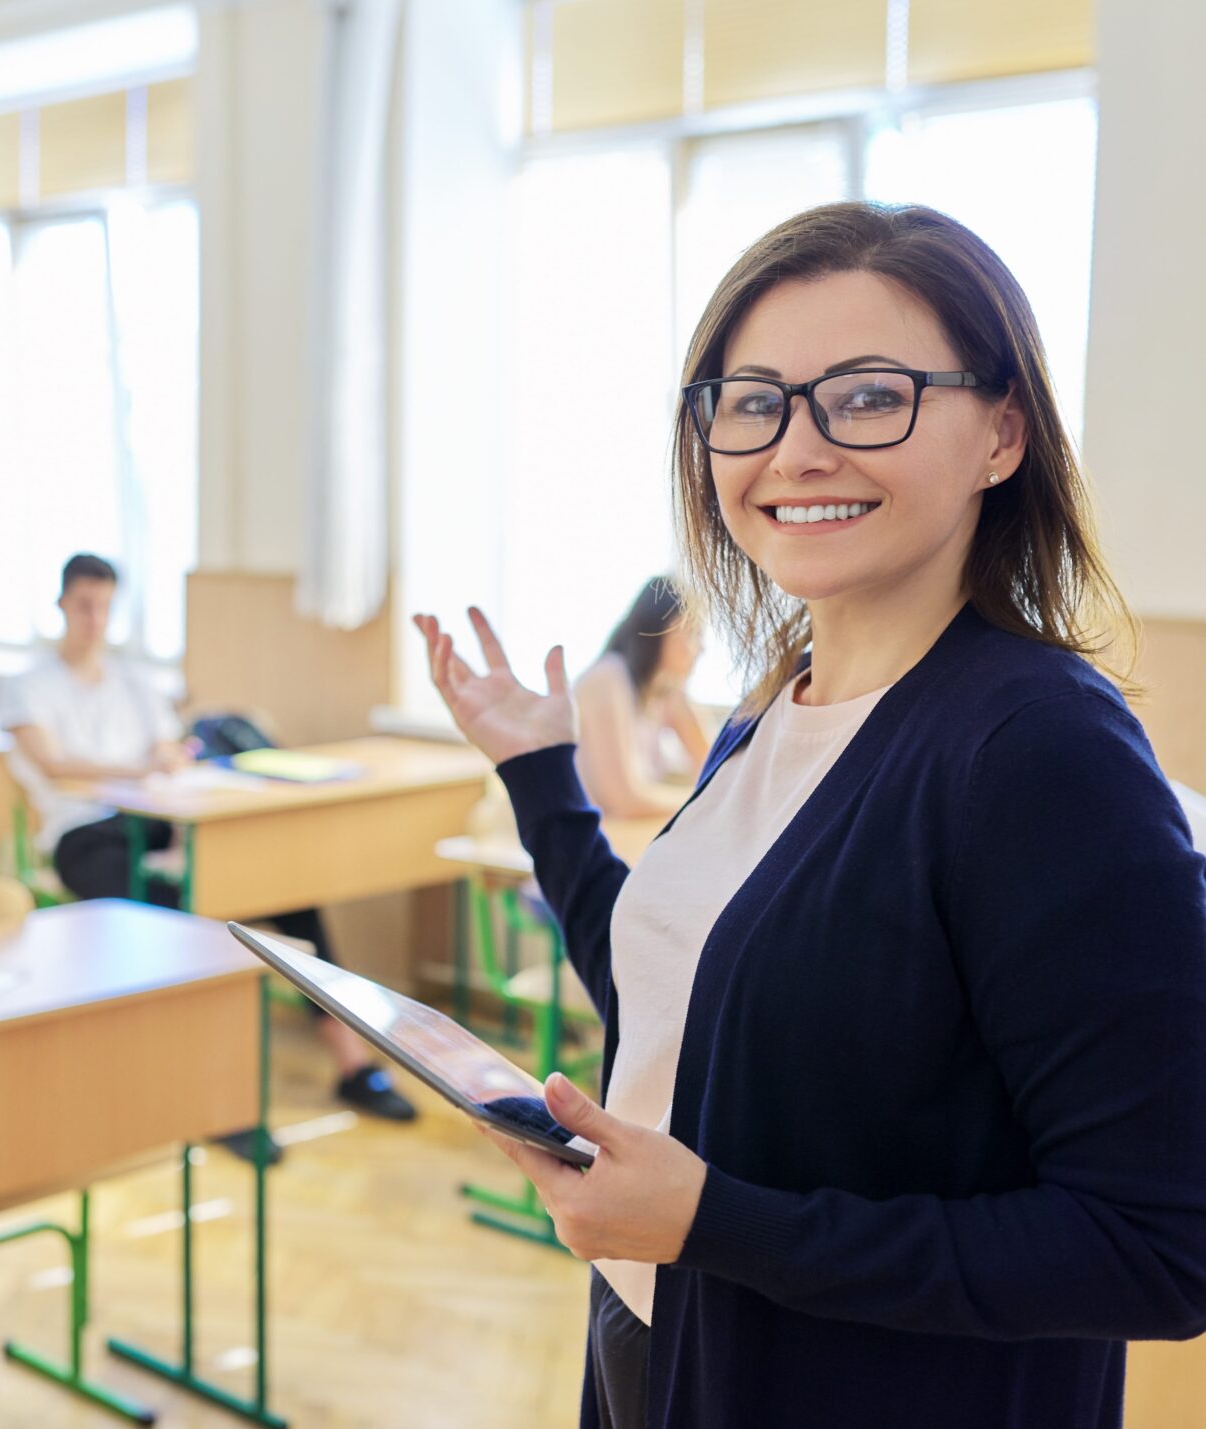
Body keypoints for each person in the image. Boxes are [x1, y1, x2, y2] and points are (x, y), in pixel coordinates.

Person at [413, 201, 1206, 1429]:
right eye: (751, 400)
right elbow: (677, 1014)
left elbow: (1160, 1244)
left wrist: (710, 1219)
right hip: (661, 1331)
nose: (796, 448)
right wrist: (539, 773)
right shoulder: (772, 707)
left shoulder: (1041, 751)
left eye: (868, 395)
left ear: (1002, 432)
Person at [0, 554, 415, 1123]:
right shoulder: (27, 684)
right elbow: (53, 765)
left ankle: (354, 1066)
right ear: (63, 604)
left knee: (289, 890)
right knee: (185, 926)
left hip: (160, 822)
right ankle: (212, 1098)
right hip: (81, 835)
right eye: (84, 605)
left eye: (104, 606)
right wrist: (140, 768)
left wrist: (165, 759)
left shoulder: (134, 683)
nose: (94, 619)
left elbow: (170, 752)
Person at [574, 577, 709, 817]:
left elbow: (714, 770)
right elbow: (623, 801)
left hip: (617, 836)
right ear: (661, 627)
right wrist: (703, 804)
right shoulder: (607, 679)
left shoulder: (663, 694)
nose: (700, 648)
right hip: (589, 838)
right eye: (693, 632)